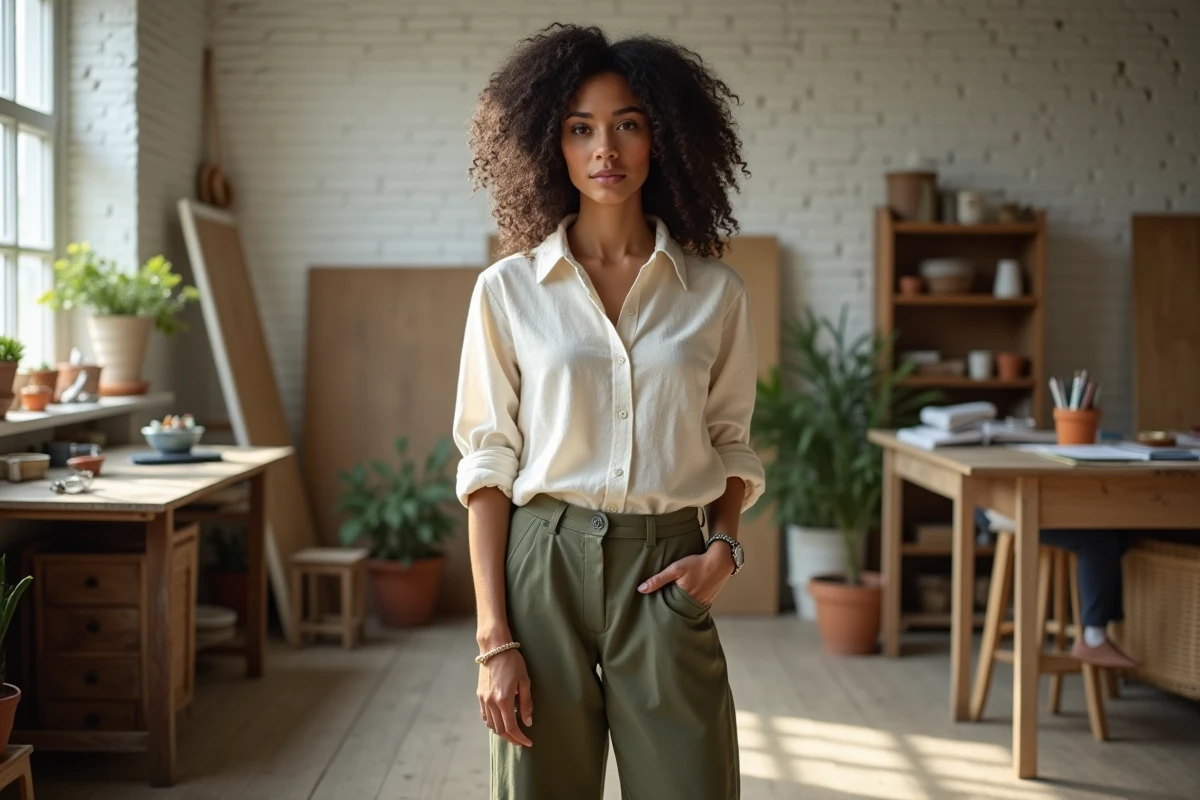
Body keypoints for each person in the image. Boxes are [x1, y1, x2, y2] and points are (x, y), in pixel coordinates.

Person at [453, 23, 764, 800]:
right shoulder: (507, 291)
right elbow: (488, 463)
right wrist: (495, 640)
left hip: (667, 567)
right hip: (542, 565)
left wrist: (722, 550)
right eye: (580, 129)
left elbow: (731, 442)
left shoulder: (715, 294)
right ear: (548, 146)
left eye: (628, 124)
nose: (606, 150)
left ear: (662, 138)